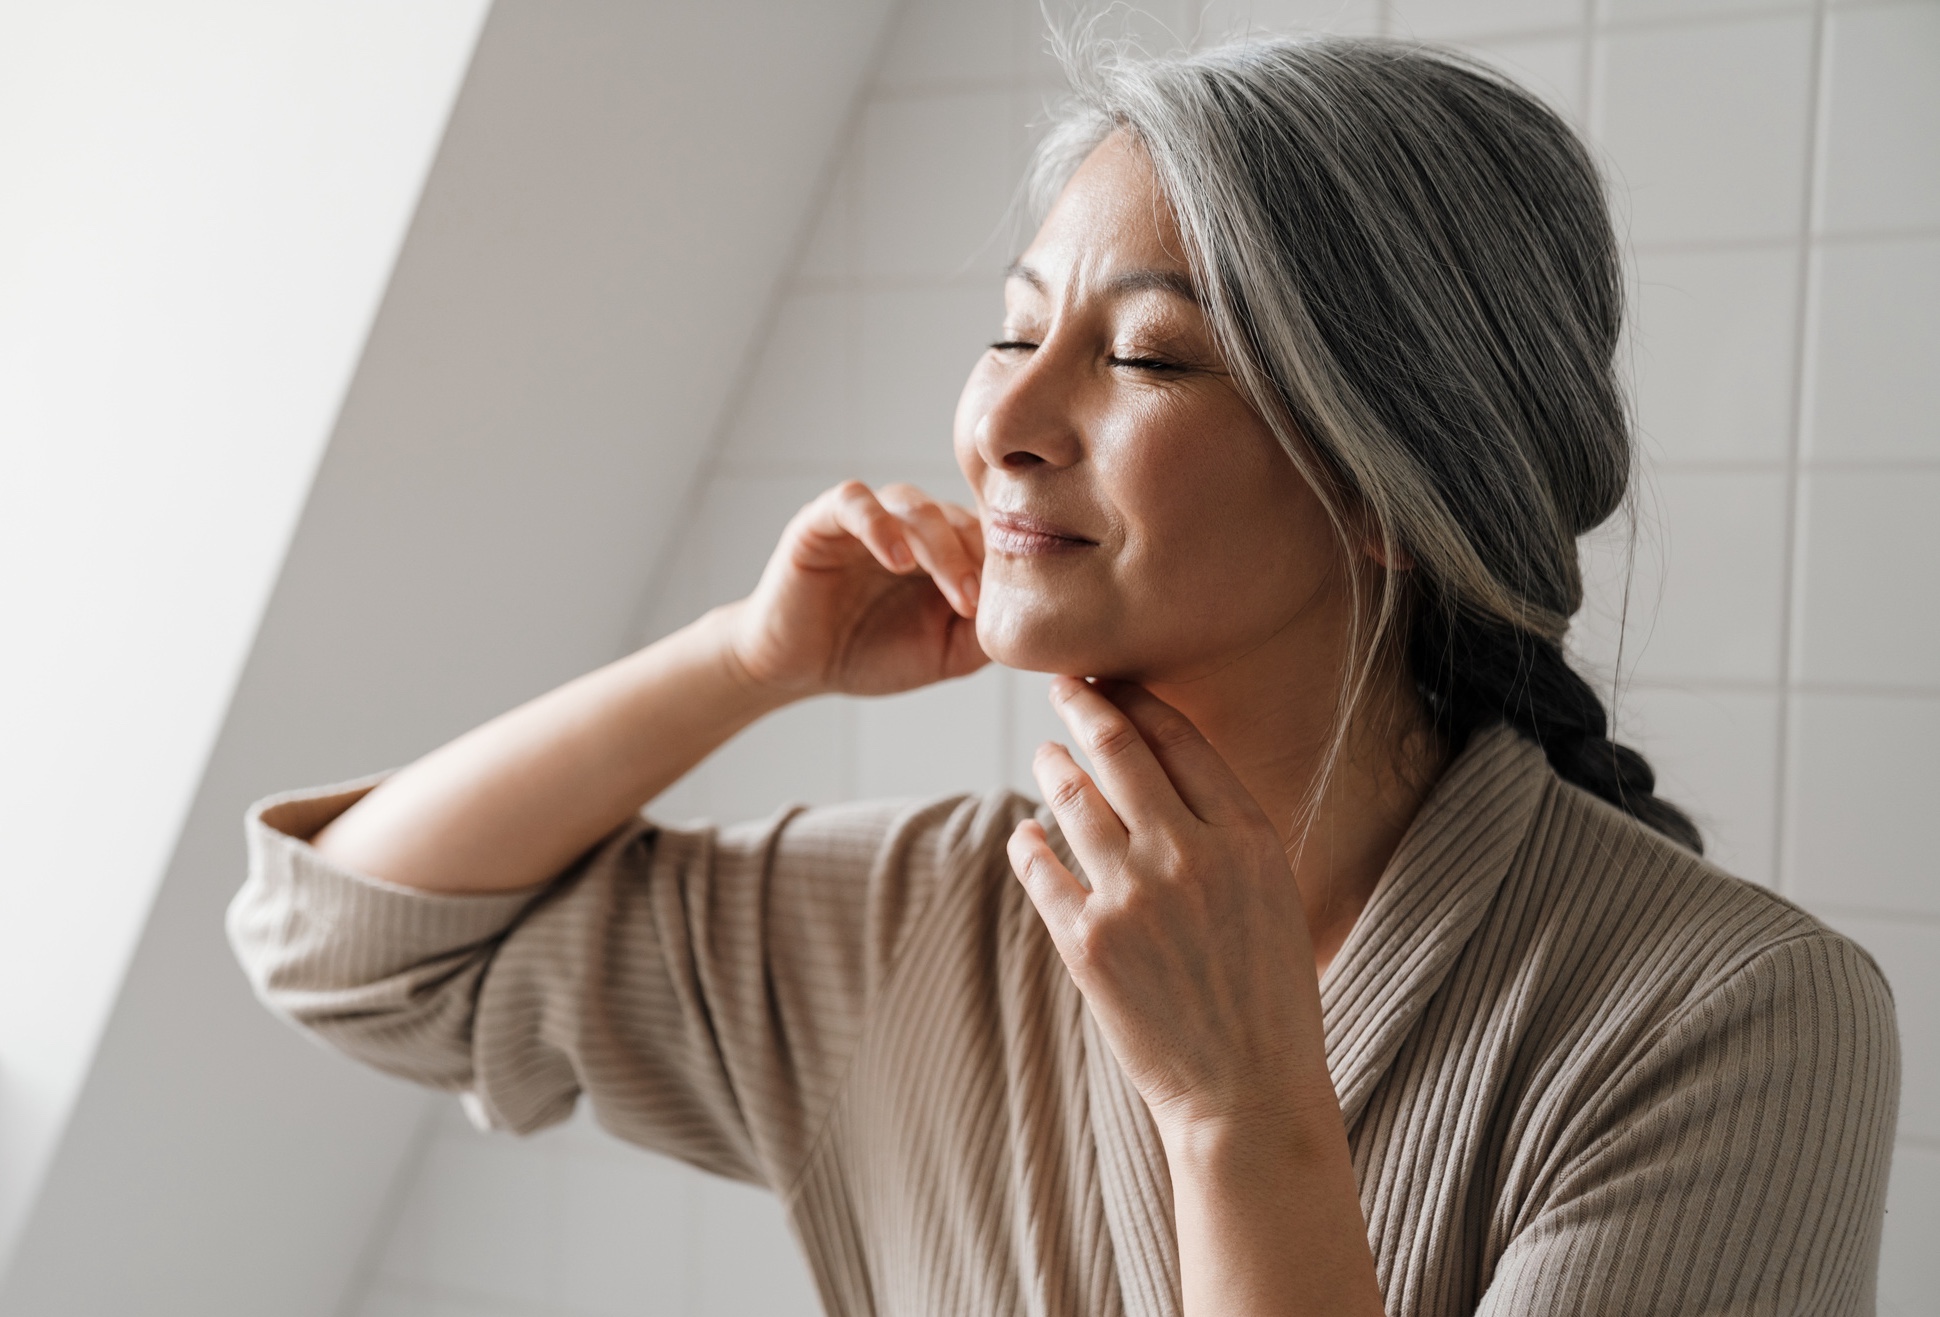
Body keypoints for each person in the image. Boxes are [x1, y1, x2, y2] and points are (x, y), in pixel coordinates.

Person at [228, 34, 1899, 1317]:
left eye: (1150, 354)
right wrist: (744, 661)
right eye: (1017, 330)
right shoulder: (926, 923)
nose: (1007, 426)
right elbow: (349, 946)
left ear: (1398, 489)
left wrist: (1246, 1122)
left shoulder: (1726, 1020)